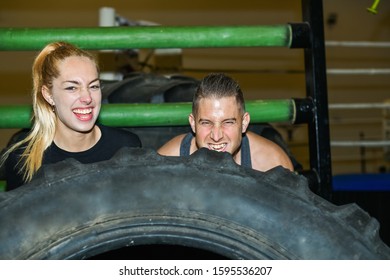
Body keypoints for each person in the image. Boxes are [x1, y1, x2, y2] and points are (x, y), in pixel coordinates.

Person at [0, 41, 141, 191]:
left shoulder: (126, 146)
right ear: (48, 95)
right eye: (72, 87)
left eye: (93, 86)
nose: (87, 98)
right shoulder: (23, 159)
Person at [157, 73, 294, 172]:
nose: (216, 136)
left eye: (228, 122)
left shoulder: (271, 165)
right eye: (206, 123)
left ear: (244, 122)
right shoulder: (169, 162)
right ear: (193, 123)